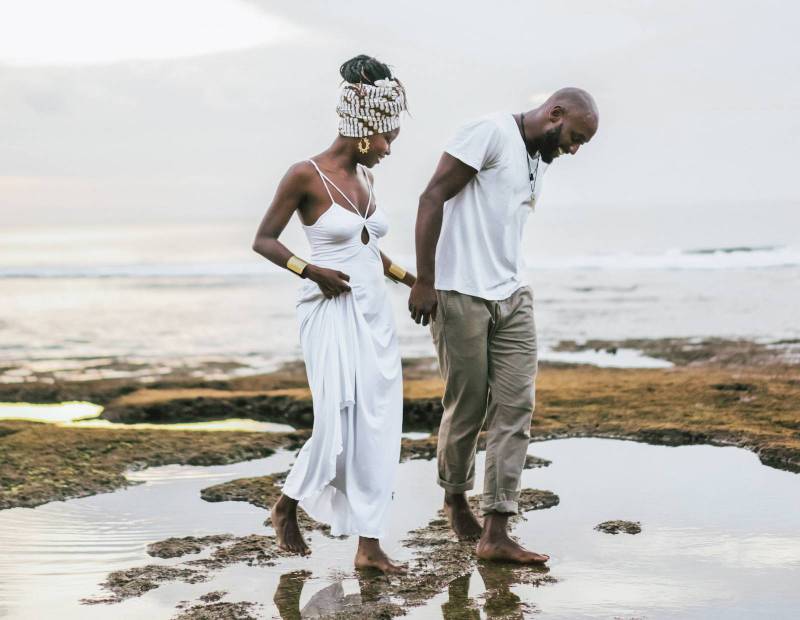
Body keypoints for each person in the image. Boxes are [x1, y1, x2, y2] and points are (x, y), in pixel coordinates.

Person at [408, 88, 599, 563]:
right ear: (554, 114)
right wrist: (426, 281)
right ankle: (454, 498)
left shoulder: (539, 159)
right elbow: (432, 196)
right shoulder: (488, 132)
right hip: (459, 292)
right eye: (574, 137)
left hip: (513, 295)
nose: (574, 149)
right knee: (468, 407)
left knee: (516, 408)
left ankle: (496, 528)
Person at [252, 55, 414, 574]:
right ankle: (287, 504)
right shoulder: (306, 174)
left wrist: (419, 282)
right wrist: (310, 269)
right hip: (329, 313)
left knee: (378, 427)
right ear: (365, 131)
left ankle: (369, 546)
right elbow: (264, 240)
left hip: (375, 316)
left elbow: (371, 254)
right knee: (335, 418)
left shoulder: (367, 177)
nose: (391, 147)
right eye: (387, 135)